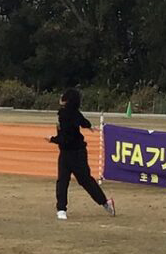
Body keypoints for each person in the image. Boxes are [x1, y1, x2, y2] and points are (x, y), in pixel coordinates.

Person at [48, 87, 116, 220]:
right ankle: (61, 208)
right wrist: (89, 126)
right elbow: (84, 122)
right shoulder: (72, 113)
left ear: (67, 100)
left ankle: (105, 202)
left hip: (75, 153)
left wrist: (52, 139)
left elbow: (67, 138)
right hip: (67, 152)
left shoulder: (66, 115)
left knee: (84, 180)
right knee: (63, 180)